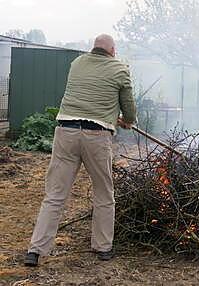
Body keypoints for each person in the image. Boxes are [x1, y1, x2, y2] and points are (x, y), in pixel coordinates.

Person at [24, 34, 136, 266]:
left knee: (55, 195)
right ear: (113, 51)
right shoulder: (120, 69)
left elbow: (87, 92)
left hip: (66, 131)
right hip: (97, 136)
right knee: (104, 193)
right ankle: (103, 247)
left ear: (93, 48)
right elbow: (130, 111)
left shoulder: (77, 63)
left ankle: (35, 251)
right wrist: (126, 120)